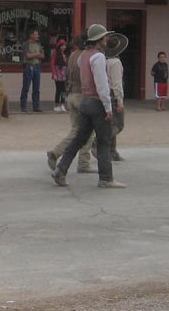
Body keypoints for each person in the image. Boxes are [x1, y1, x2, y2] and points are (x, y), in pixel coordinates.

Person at [51, 23, 125, 189]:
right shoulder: (98, 57)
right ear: (99, 40)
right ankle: (106, 178)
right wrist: (108, 107)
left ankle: (61, 170)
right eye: (104, 37)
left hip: (85, 101)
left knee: (79, 139)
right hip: (97, 102)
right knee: (104, 141)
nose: (107, 39)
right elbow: (102, 84)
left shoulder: (83, 55)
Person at [46, 34, 95, 175]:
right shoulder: (86, 56)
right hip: (81, 95)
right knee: (86, 132)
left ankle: (71, 158)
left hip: (71, 94)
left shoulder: (72, 55)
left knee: (76, 129)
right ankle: (78, 161)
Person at [105, 33, 128, 160]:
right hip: (113, 95)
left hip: (106, 93)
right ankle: (99, 143)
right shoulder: (115, 62)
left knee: (111, 123)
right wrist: (119, 100)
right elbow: (117, 83)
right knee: (118, 124)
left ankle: (112, 151)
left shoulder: (105, 60)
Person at [19, 28, 45, 113]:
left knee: (36, 88)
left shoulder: (38, 44)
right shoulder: (26, 44)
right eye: (36, 34)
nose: (38, 36)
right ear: (31, 35)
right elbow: (28, 56)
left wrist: (35, 55)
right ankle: (23, 106)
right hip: (28, 66)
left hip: (37, 66)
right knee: (26, 87)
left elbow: (43, 56)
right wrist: (37, 54)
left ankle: (36, 106)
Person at [50, 39, 69, 112]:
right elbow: (52, 63)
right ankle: (56, 105)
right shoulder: (55, 53)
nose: (64, 47)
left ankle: (63, 104)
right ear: (59, 46)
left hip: (63, 74)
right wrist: (54, 73)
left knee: (64, 90)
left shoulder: (64, 54)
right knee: (58, 90)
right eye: (62, 45)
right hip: (58, 74)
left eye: (65, 46)